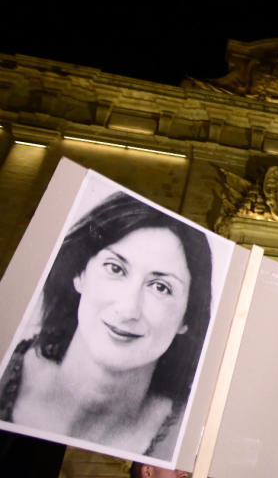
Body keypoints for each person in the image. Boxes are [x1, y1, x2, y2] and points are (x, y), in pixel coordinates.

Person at [0, 192, 213, 460]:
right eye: (115, 268)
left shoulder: (193, 442)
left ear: (187, 318)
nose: (128, 310)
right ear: (79, 274)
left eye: (161, 287)